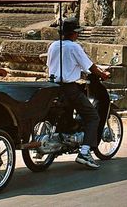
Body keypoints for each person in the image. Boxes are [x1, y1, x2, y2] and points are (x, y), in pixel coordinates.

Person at [46, 17, 110, 169]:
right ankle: (85, 152)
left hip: (52, 87)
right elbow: (90, 66)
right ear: (74, 33)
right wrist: (102, 74)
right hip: (69, 89)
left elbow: (51, 64)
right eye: (77, 33)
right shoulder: (74, 47)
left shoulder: (53, 45)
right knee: (93, 117)